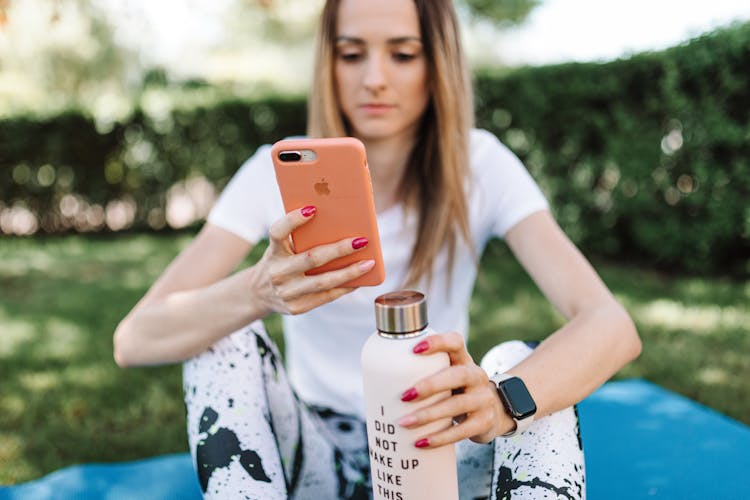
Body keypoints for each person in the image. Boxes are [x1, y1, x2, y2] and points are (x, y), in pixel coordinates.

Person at [114, 0, 641, 498]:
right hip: (317, 457)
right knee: (222, 336)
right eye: (351, 54)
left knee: (520, 364)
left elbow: (610, 324)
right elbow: (133, 339)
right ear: (330, 63)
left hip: (435, 451)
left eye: (403, 53)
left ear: (438, 64)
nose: (374, 78)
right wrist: (257, 291)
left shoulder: (479, 165)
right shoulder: (270, 173)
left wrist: (504, 401)